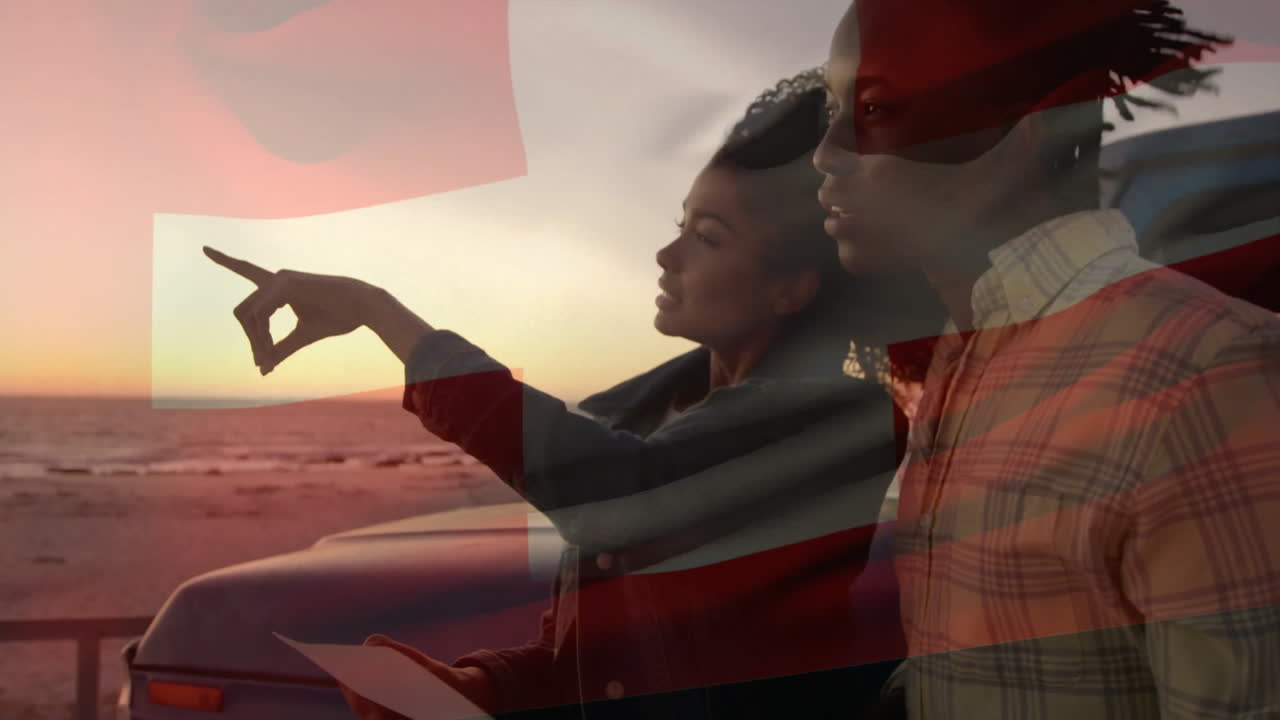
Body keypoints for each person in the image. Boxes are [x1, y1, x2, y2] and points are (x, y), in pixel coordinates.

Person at [207, 69, 936, 719]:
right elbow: (601, 659)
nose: (666, 255)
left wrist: (381, 314)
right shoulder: (647, 412)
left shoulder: (837, 424)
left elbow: (623, 500)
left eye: (708, 237)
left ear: (793, 287)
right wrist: (482, 687)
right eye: (679, 225)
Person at [815, 1, 1280, 718]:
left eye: (875, 108)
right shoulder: (965, 363)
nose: (826, 153)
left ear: (1032, 130)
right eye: (832, 110)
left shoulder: (1204, 374)